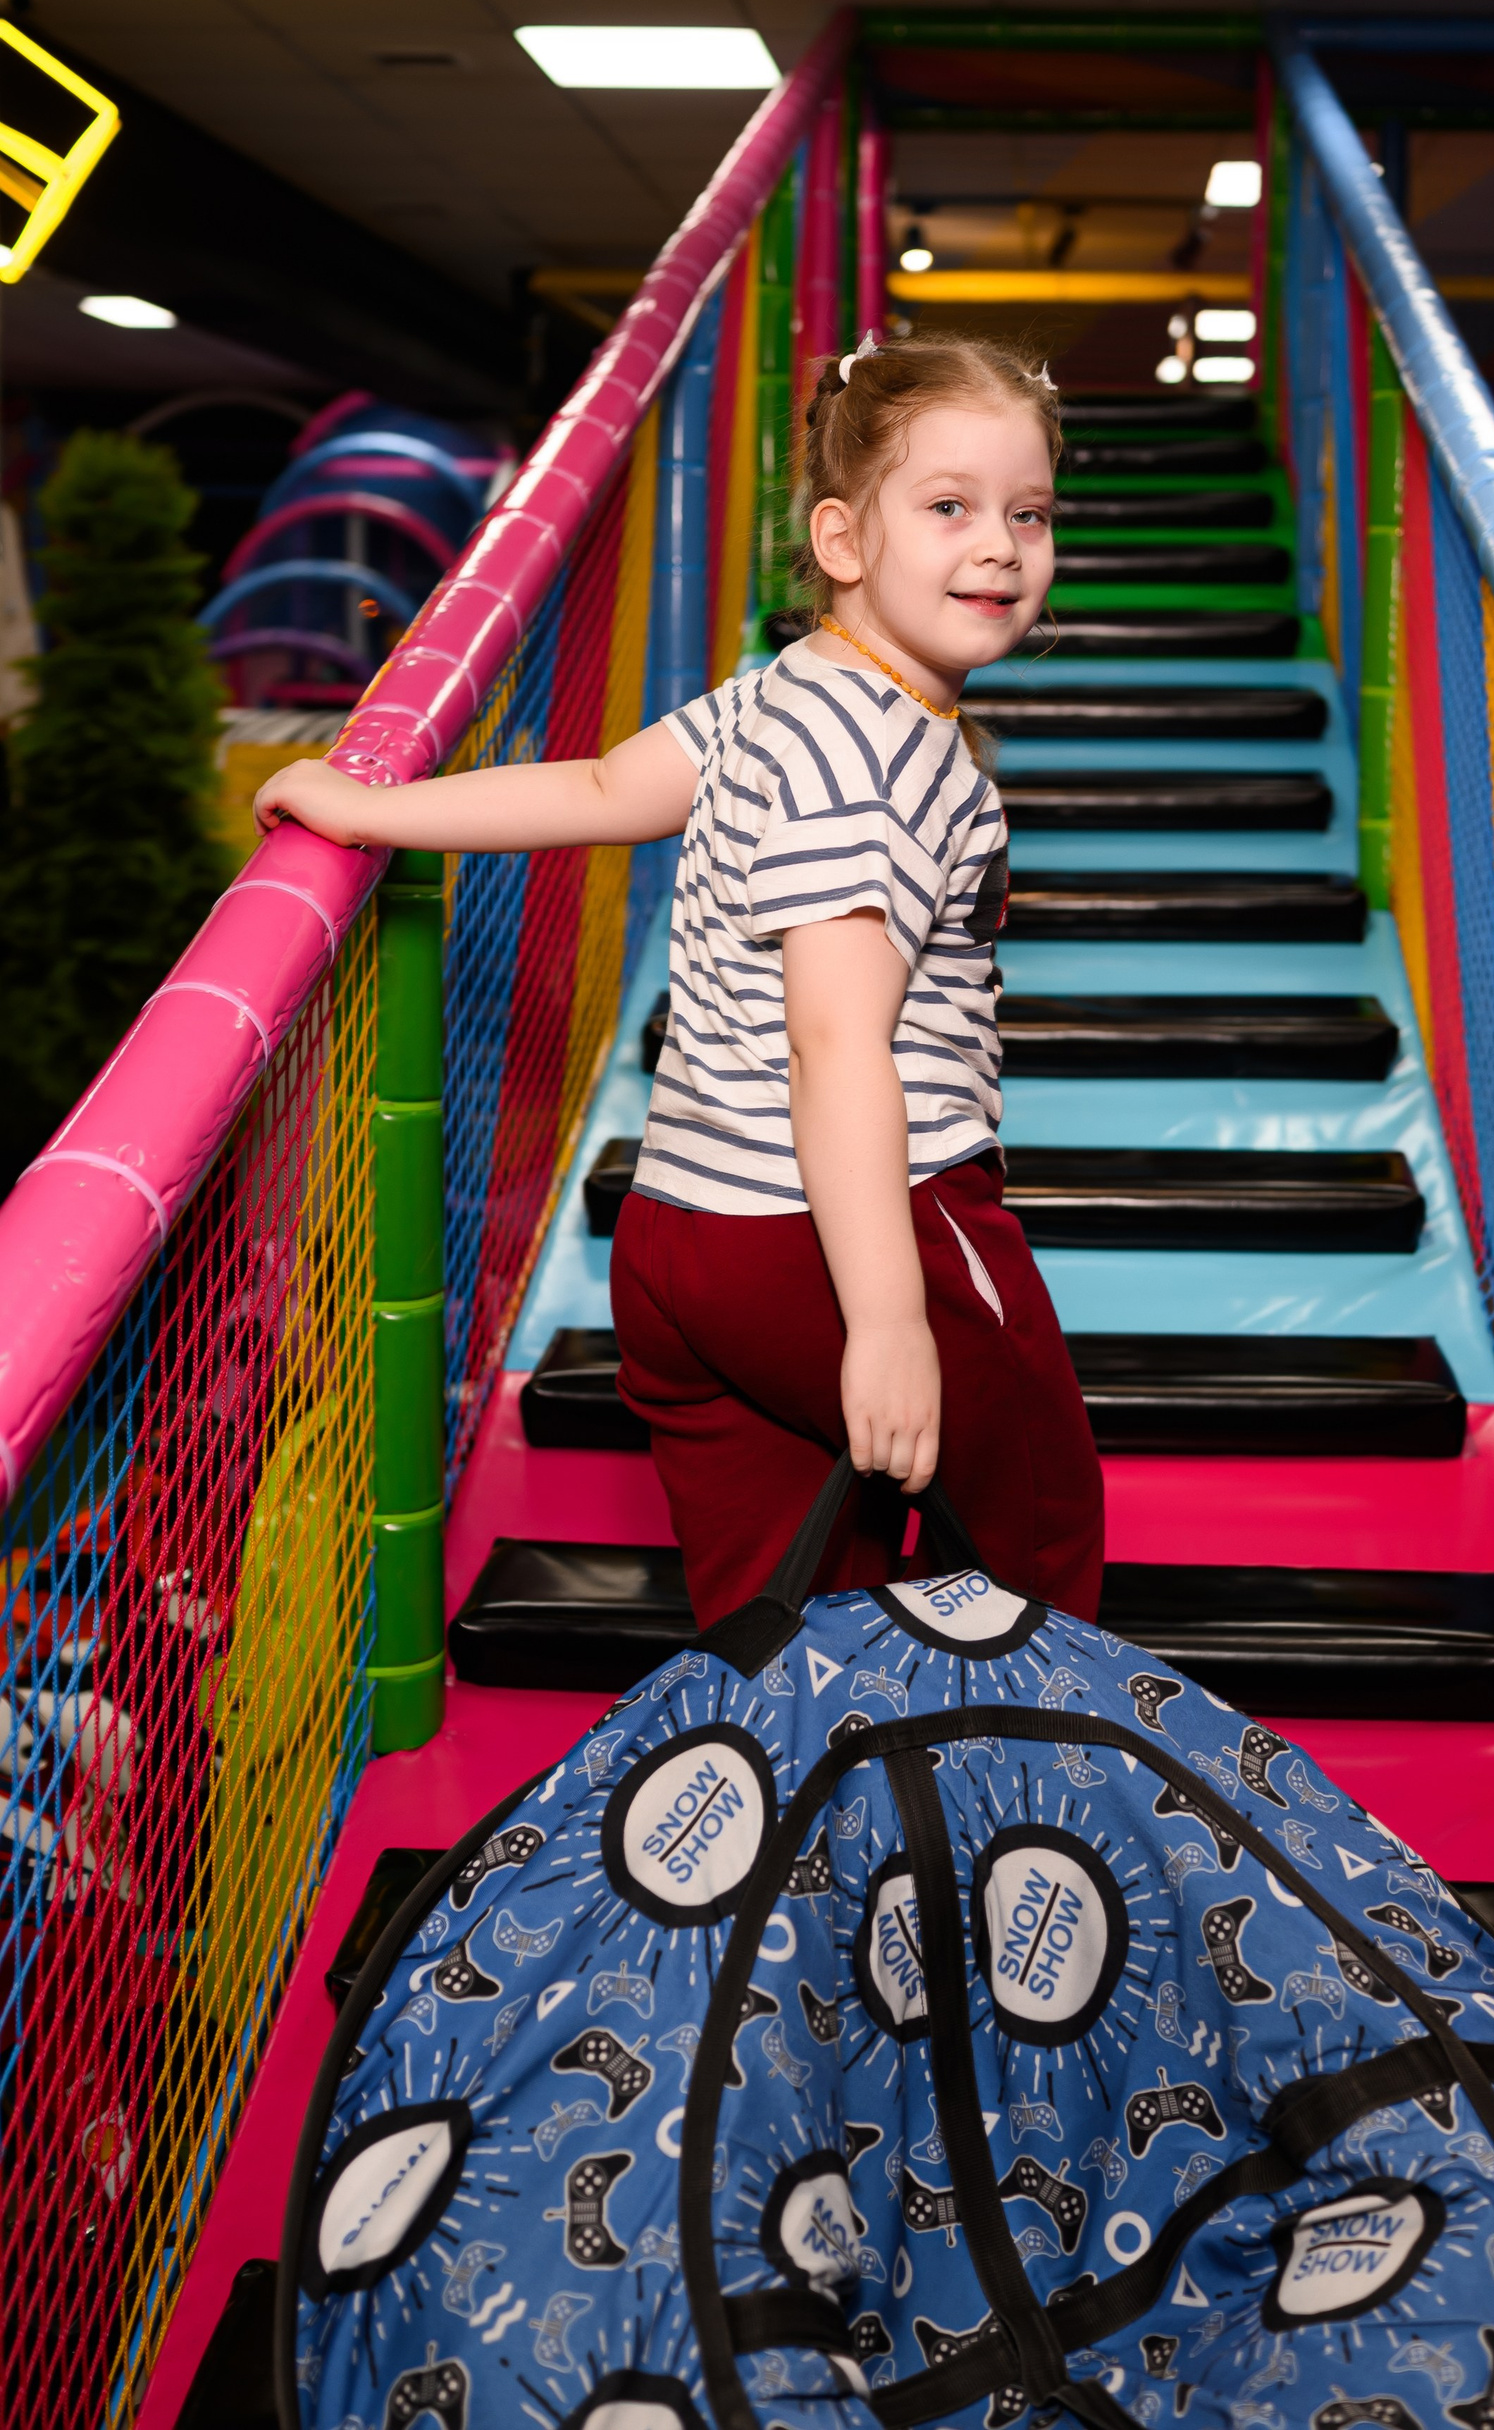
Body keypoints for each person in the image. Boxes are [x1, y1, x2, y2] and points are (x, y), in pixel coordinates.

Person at [254, 333, 1105, 1627]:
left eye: (1027, 513)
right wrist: (885, 1321)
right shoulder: (875, 760)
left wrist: (375, 808)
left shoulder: (779, 694)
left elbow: (602, 789)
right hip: (845, 1224)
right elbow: (835, 1042)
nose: (999, 546)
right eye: (950, 507)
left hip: (681, 1238)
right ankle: (1032, 1748)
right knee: (1035, 1526)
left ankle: (810, 1763)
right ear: (840, 540)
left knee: (784, 1614)